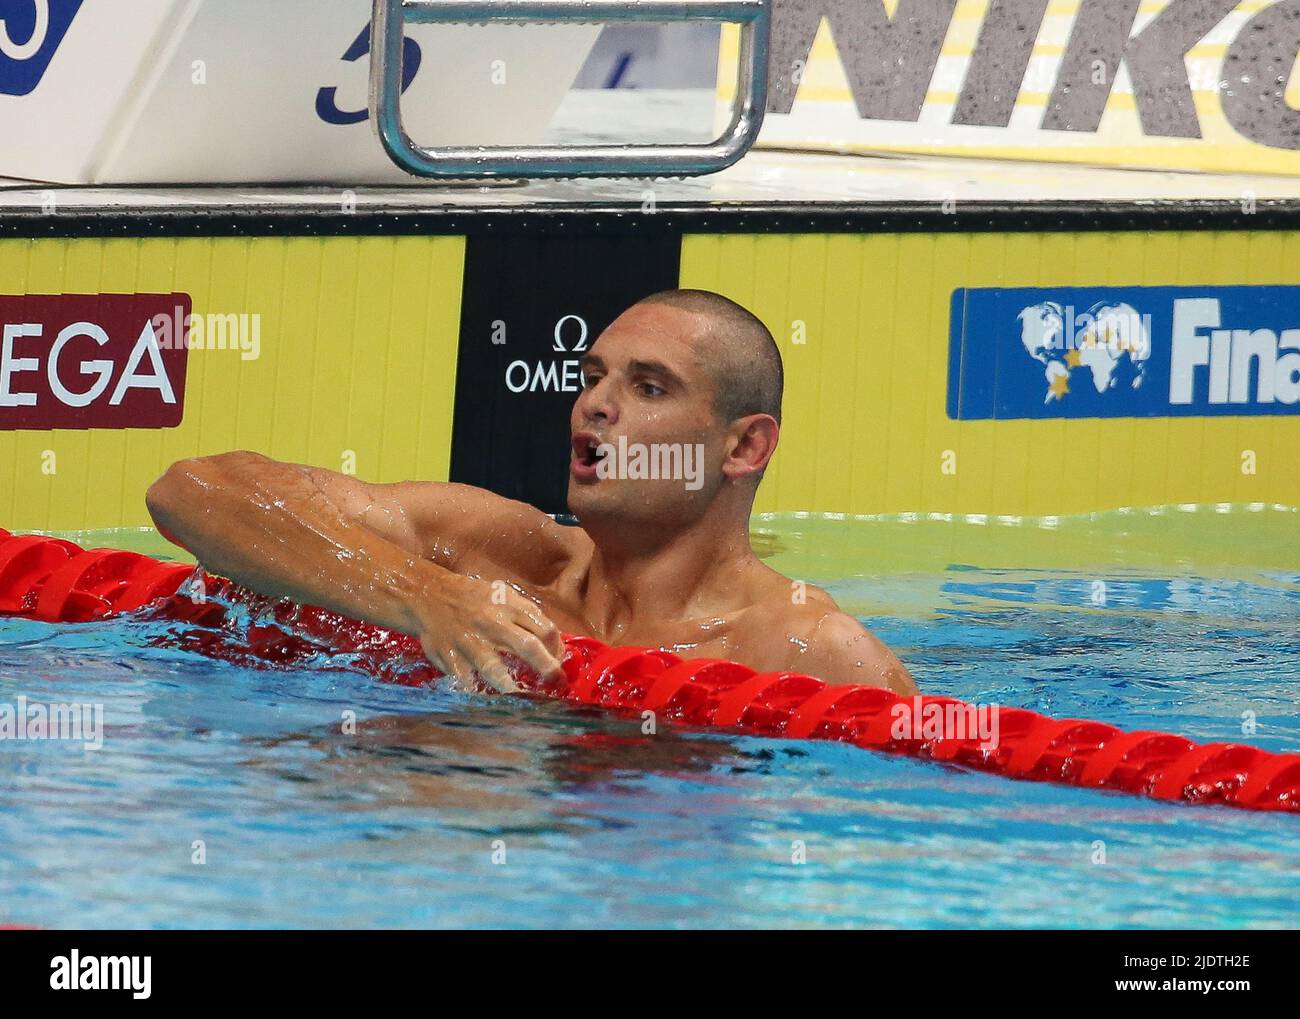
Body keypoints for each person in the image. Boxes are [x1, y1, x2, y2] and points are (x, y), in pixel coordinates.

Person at [146, 289, 917, 696]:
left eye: (648, 387)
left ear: (744, 446)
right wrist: (423, 596)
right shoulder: (493, 553)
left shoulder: (809, 650)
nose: (594, 404)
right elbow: (193, 491)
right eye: (592, 378)